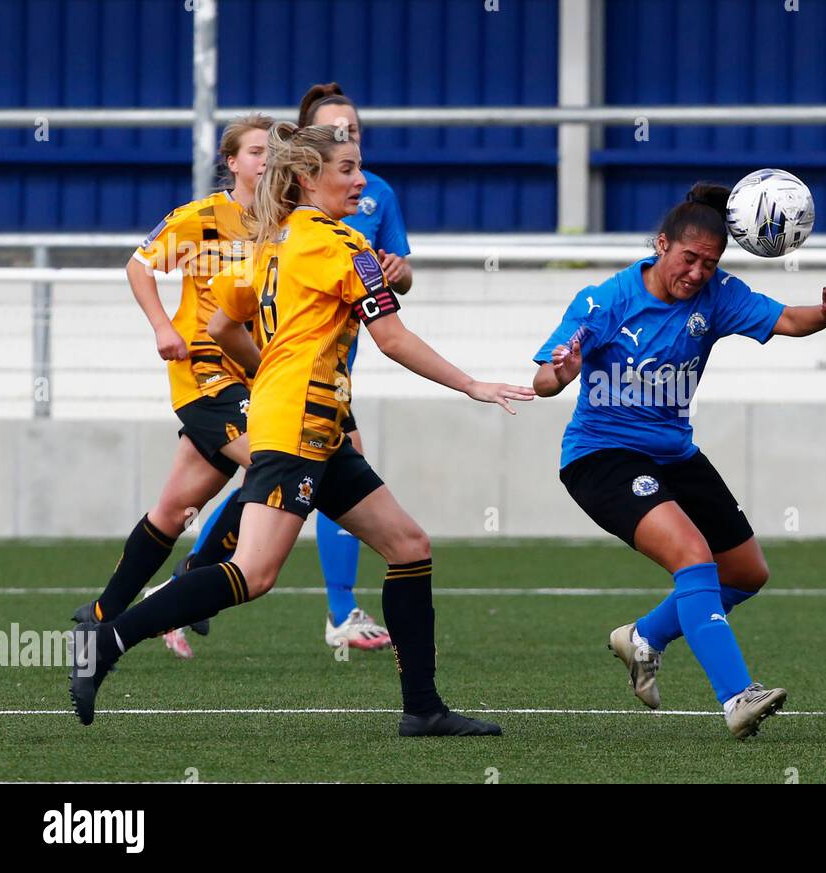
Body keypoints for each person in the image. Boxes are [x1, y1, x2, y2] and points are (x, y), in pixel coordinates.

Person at [69, 122, 535, 737]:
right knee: (255, 574)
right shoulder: (341, 246)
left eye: (359, 167)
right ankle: (106, 641)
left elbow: (224, 323)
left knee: (408, 546)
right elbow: (391, 338)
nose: (361, 179)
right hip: (297, 428)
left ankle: (422, 708)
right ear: (307, 177)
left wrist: (273, 372)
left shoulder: (272, 239)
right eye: (347, 169)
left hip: (314, 423)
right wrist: (473, 384)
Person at [533, 182, 826, 739]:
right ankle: (736, 697)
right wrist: (561, 370)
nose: (698, 272)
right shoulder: (606, 300)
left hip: (674, 454)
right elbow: (544, 380)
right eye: (689, 259)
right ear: (661, 245)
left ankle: (643, 637)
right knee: (693, 556)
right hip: (602, 456)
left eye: (710, 262)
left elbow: (789, 321)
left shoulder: (718, 295)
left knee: (747, 572)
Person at [185, 83, 412, 652]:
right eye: (337, 132)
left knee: (364, 511)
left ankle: (187, 587)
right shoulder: (290, 217)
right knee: (260, 550)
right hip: (299, 378)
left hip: (331, 373)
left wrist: (387, 271)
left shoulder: (373, 192)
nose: (349, 142)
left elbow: (398, 274)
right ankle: (177, 595)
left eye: (355, 131)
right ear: (309, 157)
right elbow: (232, 303)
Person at [71, 114, 274, 658]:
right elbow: (139, 266)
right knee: (274, 459)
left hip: (256, 371)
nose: (266, 160)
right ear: (232, 162)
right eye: (255, 151)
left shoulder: (290, 225)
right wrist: (163, 326)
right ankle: (198, 574)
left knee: (174, 508)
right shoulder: (201, 217)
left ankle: (97, 616)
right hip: (203, 370)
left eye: (273, 151)